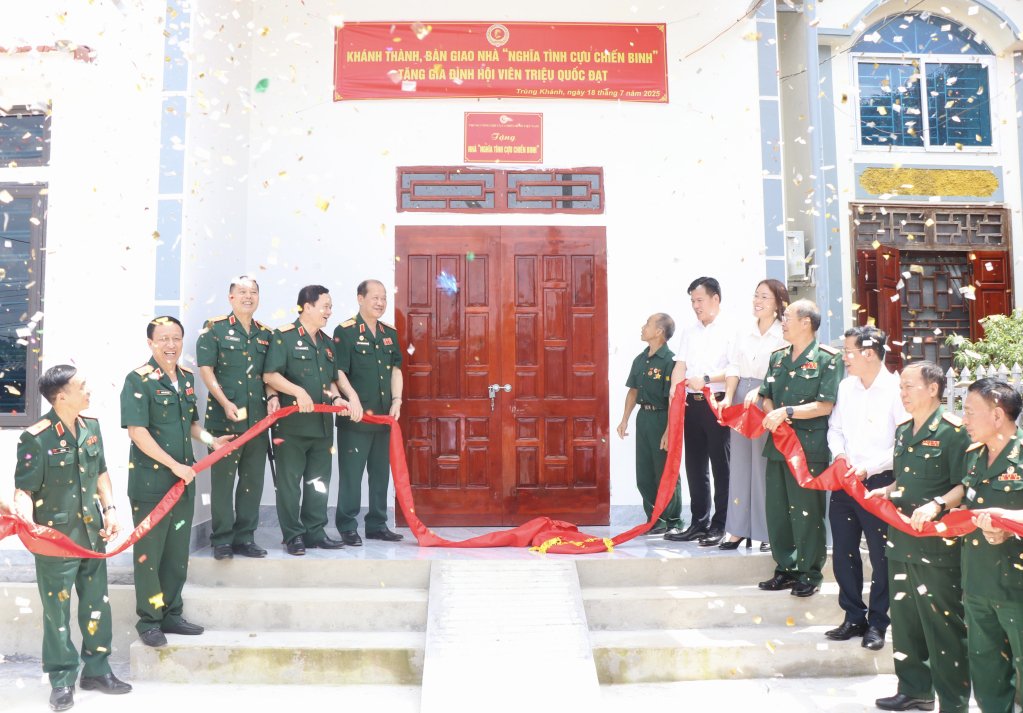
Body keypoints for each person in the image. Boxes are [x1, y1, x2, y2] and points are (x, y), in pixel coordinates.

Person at [13, 366, 132, 711]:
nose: (89, 391)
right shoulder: (36, 438)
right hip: (55, 540)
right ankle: (62, 679)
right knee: (58, 613)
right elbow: (25, 489)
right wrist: (23, 517)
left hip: (92, 534)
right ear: (61, 396)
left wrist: (110, 509)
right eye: (82, 387)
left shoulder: (91, 427)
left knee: (97, 604)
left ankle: (97, 670)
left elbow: (102, 473)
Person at [120, 316, 233, 648]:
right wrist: (174, 465)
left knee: (175, 553)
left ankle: (171, 613)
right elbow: (137, 433)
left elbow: (192, 425)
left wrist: (211, 440)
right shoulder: (137, 380)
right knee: (150, 555)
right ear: (151, 343)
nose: (171, 345)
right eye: (163, 339)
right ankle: (150, 620)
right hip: (151, 483)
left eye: (176, 338)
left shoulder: (185, 378)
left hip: (183, 482)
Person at [865, 361, 971, 713]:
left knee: (942, 625)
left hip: (937, 546)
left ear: (933, 389)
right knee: (906, 621)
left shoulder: (954, 432)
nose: (903, 393)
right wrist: (887, 490)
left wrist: (938, 505)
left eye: (909, 386)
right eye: (901, 388)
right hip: (901, 539)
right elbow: (904, 480)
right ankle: (914, 689)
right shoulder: (903, 430)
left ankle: (953, 700)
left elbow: (964, 484)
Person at [750, 299, 840, 597]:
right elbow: (765, 395)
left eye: (787, 317)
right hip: (778, 445)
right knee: (777, 510)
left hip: (807, 448)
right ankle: (785, 568)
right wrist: (772, 410)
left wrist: (786, 413)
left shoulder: (828, 359)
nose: (782, 321)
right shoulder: (778, 358)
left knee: (806, 512)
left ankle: (809, 572)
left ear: (806, 322)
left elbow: (825, 405)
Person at [824, 326, 905, 650]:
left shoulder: (896, 389)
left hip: (879, 483)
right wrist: (841, 456)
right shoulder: (846, 387)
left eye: (849, 352)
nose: (845, 358)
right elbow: (835, 428)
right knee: (843, 552)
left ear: (869, 353)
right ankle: (853, 616)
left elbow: (902, 444)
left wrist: (868, 468)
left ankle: (878, 623)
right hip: (846, 481)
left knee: (881, 556)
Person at [196, 276, 278, 560]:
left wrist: (274, 397)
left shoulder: (266, 334)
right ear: (231, 297)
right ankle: (222, 540)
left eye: (253, 292)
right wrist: (225, 401)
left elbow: (269, 375)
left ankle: (245, 538)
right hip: (224, 421)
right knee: (222, 482)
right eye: (242, 292)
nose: (248, 296)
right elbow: (206, 370)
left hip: (257, 421)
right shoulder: (214, 329)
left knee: (252, 482)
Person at [263, 285, 348, 555]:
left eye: (330, 306)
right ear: (306, 307)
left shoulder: (326, 342)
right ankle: (293, 535)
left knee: (319, 481)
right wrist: (297, 391)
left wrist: (337, 399)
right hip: (292, 427)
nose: (329, 312)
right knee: (289, 482)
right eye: (325, 306)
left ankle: (315, 531)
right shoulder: (283, 337)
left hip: (322, 427)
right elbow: (270, 376)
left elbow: (330, 382)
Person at [960, 377, 1023, 713]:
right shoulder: (973, 456)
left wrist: (1010, 528)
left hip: (1017, 588)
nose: (964, 419)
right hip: (979, 582)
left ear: (998, 416)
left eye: (970, 412)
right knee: (986, 671)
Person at [711, 278, 787, 551]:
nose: (758, 301)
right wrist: (729, 398)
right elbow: (733, 367)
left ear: (778, 303)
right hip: (742, 398)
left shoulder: (783, 334)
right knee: (740, 464)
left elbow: (782, 371)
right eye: (756, 295)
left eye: (765, 297)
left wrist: (764, 392)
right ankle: (737, 529)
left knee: (764, 466)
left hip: (768, 400)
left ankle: (768, 531)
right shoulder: (743, 331)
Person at [333, 279, 404, 545]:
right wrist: (351, 398)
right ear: (360, 298)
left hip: (384, 417)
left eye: (383, 297)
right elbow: (338, 372)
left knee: (380, 474)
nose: (380, 302)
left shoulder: (389, 333)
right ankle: (347, 525)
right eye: (374, 297)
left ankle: (377, 523)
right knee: (352, 474)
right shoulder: (346, 331)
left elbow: (396, 369)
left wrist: (397, 400)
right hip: (356, 418)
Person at [666, 276, 732, 543]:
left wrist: (705, 379)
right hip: (690, 405)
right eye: (692, 301)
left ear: (715, 298)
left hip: (716, 403)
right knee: (695, 466)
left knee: (721, 466)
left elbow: (734, 370)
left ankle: (722, 523)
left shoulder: (731, 330)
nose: (696, 305)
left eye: (700, 300)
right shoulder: (689, 331)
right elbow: (680, 364)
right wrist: (674, 387)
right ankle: (698, 521)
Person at [617, 313, 683, 534]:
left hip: (662, 418)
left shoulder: (671, 361)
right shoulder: (640, 359)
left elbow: (673, 401)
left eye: (647, 324)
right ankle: (654, 519)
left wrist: (668, 431)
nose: (643, 327)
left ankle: (672, 520)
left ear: (659, 332)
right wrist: (625, 419)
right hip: (643, 419)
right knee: (644, 471)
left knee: (665, 470)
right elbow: (633, 391)